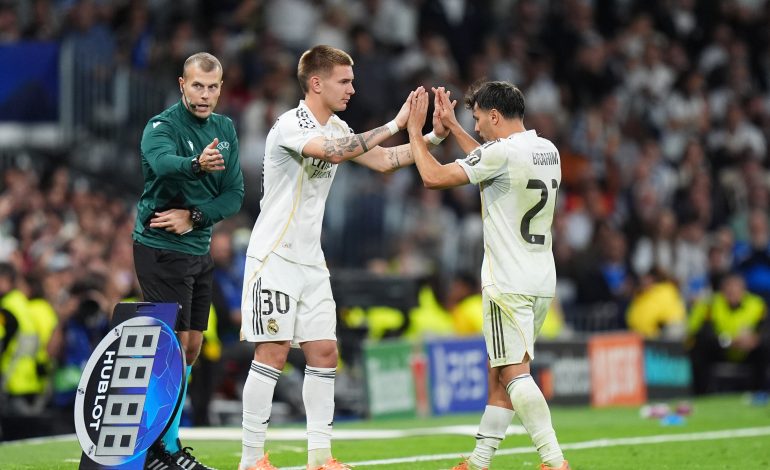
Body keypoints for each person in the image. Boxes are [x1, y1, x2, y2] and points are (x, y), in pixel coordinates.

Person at [238, 44, 449, 470]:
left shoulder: (336, 126)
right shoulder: (290, 125)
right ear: (316, 83)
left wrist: (433, 138)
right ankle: (251, 459)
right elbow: (334, 152)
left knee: (324, 352)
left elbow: (384, 160)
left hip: (311, 261)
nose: (352, 89)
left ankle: (320, 458)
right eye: (345, 81)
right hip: (274, 257)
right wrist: (395, 123)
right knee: (273, 353)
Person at [406, 83, 569, 470]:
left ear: (494, 115)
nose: (476, 127)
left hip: (507, 282)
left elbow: (433, 176)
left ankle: (553, 460)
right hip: (541, 280)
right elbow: (490, 162)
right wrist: (454, 127)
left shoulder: (501, 153)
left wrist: (414, 132)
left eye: (478, 119)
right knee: (501, 375)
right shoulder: (547, 149)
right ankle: (479, 462)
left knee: (513, 374)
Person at [133, 51, 244, 470]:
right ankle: (160, 448)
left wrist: (195, 216)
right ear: (183, 85)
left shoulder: (224, 129)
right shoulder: (161, 126)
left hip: (198, 248)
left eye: (212, 87)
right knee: (173, 349)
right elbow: (163, 165)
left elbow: (234, 194)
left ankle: (166, 443)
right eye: (197, 85)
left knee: (193, 347)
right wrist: (197, 165)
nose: (205, 95)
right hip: (160, 248)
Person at [688, 272, 769, 397]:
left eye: (736, 290)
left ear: (743, 290)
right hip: (721, 349)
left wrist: (755, 339)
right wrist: (729, 341)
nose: (732, 294)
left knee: (765, 348)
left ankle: (761, 391)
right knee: (698, 350)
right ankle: (701, 394)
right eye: (729, 290)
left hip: (748, 351)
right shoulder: (711, 305)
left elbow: (766, 329)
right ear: (722, 291)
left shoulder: (757, 305)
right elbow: (705, 333)